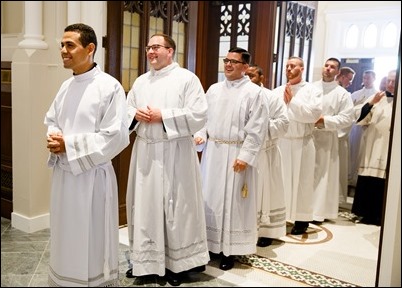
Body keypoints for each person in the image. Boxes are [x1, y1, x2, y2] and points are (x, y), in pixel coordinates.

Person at [44, 23, 130, 286]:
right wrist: (55, 135)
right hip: (64, 175)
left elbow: (115, 136)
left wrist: (68, 144)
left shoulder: (109, 87)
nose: (63, 50)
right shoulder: (66, 87)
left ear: (90, 48)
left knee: (90, 236)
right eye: (62, 45)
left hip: (92, 178)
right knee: (65, 233)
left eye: (70, 45)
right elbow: (52, 119)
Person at [125, 33, 210, 286]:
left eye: (156, 47)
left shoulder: (187, 79)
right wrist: (134, 114)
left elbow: (199, 114)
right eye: (148, 47)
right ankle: (145, 263)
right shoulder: (141, 81)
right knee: (145, 207)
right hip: (146, 154)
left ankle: (178, 265)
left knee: (177, 209)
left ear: (170, 51)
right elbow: (126, 110)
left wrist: (164, 115)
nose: (151, 52)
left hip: (176, 153)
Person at [194, 48, 269, 270]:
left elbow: (257, 128)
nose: (228, 65)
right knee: (210, 198)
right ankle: (209, 245)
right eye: (226, 61)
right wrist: (200, 136)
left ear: (245, 67)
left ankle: (230, 250)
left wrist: (245, 156)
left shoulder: (254, 93)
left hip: (236, 154)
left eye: (234, 62)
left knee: (233, 202)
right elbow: (203, 119)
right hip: (213, 153)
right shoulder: (214, 90)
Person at [273, 56, 323, 235]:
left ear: (302, 69)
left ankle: (301, 220)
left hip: (302, 142)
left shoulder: (312, 90)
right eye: (286, 66)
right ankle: (277, 218)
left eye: (292, 66)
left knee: (303, 181)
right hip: (281, 142)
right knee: (279, 181)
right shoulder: (277, 90)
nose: (288, 68)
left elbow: (313, 115)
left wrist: (292, 101)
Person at [245, 64, 289, 247]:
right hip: (244, 152)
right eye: (246, 75)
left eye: (252, 76)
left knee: (267, 192)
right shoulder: (241, 95)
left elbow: (284, 123)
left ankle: (266, 230)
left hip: (266, 152)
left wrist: (259, 127)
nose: (248, 79)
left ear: (261, 78)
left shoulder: (272, 97)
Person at [351, 69, 396, 226]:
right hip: (372, 144)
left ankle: (382, 216)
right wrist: (371, 103)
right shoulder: (377, 97)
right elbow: (360, 117)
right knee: (369, 178)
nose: (390, 84)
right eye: (388, 80)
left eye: (394, 81)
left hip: (390, 148)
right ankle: (366, 214)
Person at [312, 58, 354, 222]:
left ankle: (318, 212)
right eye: (326, 65)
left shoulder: (342, 94)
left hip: (327, 139)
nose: (328, 69)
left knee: (323, 175)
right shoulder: (311, 88)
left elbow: (347, 119)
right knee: (307, 174)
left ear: (338, 72)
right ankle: (301, 209)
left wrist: (324, 121)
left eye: (333, 67)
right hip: (308, 137)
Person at [348, 70, 378, 188]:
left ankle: (358, 180)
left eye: (368, 78)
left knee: (362, 153)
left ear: (374, 79)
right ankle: (350, 179)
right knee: (352, 152)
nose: (366, 80)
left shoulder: (377, 94)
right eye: (364, 78)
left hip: (366, 129)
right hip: (354, 128)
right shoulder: (355, 94)